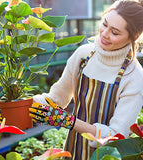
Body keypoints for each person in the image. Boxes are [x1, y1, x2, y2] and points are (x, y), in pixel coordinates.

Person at [29, 0, 143, 159]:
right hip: (72, 150)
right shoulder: (84, 56)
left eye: (115, 32)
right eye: (104, 24)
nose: (104, 33)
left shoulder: (134, 76)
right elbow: (57, 98)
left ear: (134, 36)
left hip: (107, 156)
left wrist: (70, 122)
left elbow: (116, 137)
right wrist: (21, 106)